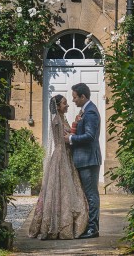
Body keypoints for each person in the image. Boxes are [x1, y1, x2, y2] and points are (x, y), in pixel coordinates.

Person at [28, 94, 88, 240]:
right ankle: (57, 226)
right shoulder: (56, 121)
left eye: (66, 103)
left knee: (67, 190)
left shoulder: (62, 119)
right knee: (61, 189)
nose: (67, 105)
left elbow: (69, 134)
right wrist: (75, 129)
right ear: (58, 107)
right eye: (64, 103)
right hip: (61, 157)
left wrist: (75, 123)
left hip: (67, 155)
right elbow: (63, 139)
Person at [67, 83, 102, 239]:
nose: (73, 100)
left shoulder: (91, 113)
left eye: (75, 97)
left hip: (88, 160)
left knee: (91, 195)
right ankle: (88, 226)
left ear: (83, 96)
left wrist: (71, 139)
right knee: (87, 195)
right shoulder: (85, 111)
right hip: (84, 160)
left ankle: (93, 229)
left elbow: (90, 136)